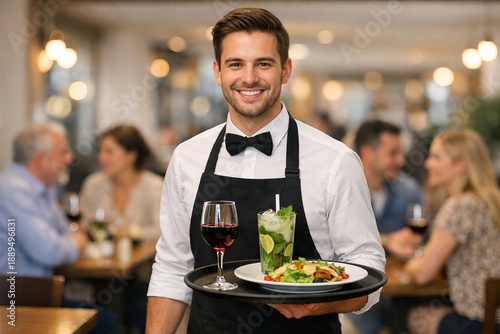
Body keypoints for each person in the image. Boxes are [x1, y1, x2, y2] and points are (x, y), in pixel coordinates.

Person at [146, 7, 385, 334]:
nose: (248, 78)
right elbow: (172, 270)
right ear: (217, 71)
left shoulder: (335, 161)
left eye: (263, 63)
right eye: (235, 64)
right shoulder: (188, 157)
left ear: (286, 70)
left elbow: (369, 271)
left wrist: (319, 304)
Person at [0, 122, 118, 334]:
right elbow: (51, 251)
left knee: (106, 314)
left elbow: (66, 232)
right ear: (39, 158)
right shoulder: (13, 191)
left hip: (37, 293)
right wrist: (75, 242)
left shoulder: (42, 187)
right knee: (106, 322)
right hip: (15, 301)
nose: (70, 159)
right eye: (63, 152)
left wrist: (72, 240)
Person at [405, 129, 500, 334]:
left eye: (436, 157)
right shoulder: (490, 201)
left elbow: (422, 274)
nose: (428, 163)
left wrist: (410, 263)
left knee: (411, 316)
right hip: (493, 319)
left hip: (478, 323)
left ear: (460, 165)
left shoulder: (459, 206)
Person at [79, 124, 164, 333]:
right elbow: (82, 225)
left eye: (109, 151)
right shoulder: (94, 184)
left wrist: (129, 232)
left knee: (132, 294)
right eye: (100, 151)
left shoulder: (154, 186)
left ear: (131, 155)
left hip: (143, 271)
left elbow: (161, 230)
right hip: (99, 268)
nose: (101, 157)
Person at [346, 120, 425, 333]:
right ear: (367, 152)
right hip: (357, 296)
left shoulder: (409, 190)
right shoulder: (344, 190)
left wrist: (413, 243)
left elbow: (427, 240)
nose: (401, 160)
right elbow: (337, 241)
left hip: (403, 294)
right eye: (393, 153)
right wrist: (389, 240)